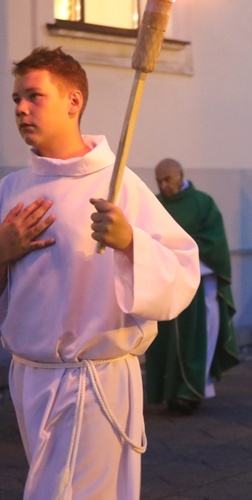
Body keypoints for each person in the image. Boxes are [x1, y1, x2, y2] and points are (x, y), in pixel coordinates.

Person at [1, 47, 199, 498]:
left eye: (34, 96)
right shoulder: (11, 190)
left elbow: (183, 271)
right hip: (28, 378)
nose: (20, 109)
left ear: (73, 102)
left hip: (90, 381)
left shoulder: (118, 185)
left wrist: (131, 242)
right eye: (16, 99)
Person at [146, 159, 239, 415]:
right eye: (159, 181)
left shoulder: (203, 203)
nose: (164, 186)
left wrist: (182, 253)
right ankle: (168, 391)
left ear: (181, 176)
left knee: (197, 337)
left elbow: (213, 242)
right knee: (165, 340)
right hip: (164, 284)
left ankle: (192, 391)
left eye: (168, 179)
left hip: (198, 284)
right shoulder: (154, 205)